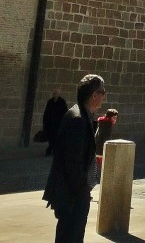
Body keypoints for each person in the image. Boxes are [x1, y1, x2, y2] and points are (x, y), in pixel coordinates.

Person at [43, 73, 106, 243]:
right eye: (103, 92)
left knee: (70, 235)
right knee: (71, 236)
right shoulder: (78, 119)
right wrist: (83, 191)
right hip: (72, 195)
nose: (103, 97)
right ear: (94, 95)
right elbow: (73, 163)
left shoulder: (81, 115)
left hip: (72, 193)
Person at [43, 88, 68, 157]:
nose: (55, 95)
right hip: (50, 123)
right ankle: (52, 150)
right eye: (54, 94)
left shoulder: (62, 102)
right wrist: (45, 122)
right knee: (51, 138)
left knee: (56, 138)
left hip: (58, 123)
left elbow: (65, 112)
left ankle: (51, 150)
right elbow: (46, 112)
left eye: (56, 93)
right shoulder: (50, 102)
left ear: (59, 94)